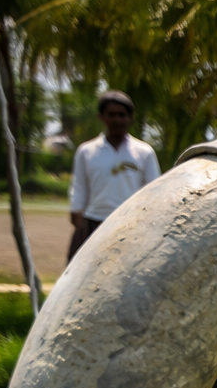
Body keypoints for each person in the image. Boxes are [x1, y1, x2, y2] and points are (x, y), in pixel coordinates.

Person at [67, 91, 161, 261]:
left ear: (130, 118)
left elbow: (155, 191)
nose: (117, 120)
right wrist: (75, 210)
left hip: (131, 226)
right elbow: (79, 185)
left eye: (122, 115)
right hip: (93, 223)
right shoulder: (86, 151)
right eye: (111, 115)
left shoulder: (144, 152)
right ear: (101, 117)